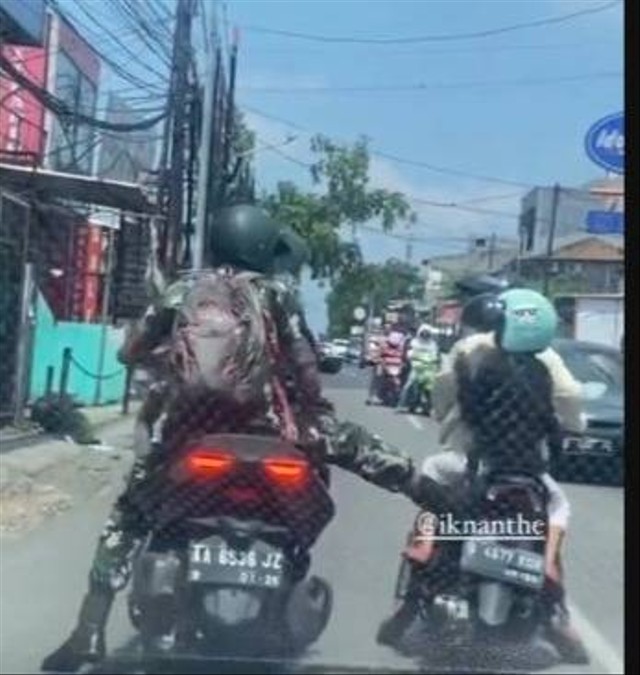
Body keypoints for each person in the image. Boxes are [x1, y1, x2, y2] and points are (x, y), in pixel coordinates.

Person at [41, 205, 333, 673]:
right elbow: (304, 362)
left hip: (189, 433)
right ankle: (290, 583)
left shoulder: (184, 288)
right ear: (262, 245)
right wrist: (316, 415)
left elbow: (131, 349)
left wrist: (157, 352)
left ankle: (88, 632)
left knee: (128, 518)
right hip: (267, 436)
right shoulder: (278, 293)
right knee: (311, 488)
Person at [327, 288, 589, 665]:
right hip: (529, 472)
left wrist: (452, 424)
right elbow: (568, 406)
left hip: (475, 464)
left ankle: (419, 568)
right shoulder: (546, 364)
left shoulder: (472, 353)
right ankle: (555, 599)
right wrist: (562, 436)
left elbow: (447, 399)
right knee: (557, 507)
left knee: (435, 478)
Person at [396, 323, 440, 412]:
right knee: (407, 386)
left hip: (428, 369)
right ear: (420, 333)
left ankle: (430, 408)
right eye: (423, 333)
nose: (425, 335)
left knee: (431, 389)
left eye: (427, 333)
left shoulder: (433, 344)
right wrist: (413, 358)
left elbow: (435, 356)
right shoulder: (414, 342)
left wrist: (433, 362)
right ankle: (400, 405)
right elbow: (409, 354)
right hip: (416, 368)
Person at [366, 328, 406, 405]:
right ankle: (372, 396)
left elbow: (402, 357)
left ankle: (399, 396)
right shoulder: (383, 343)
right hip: (383, 364)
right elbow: (376, 353)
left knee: (400, 377)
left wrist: (403, 363)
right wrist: (376, 359)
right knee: (378, 376)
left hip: (394, 366)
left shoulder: (400, 347)